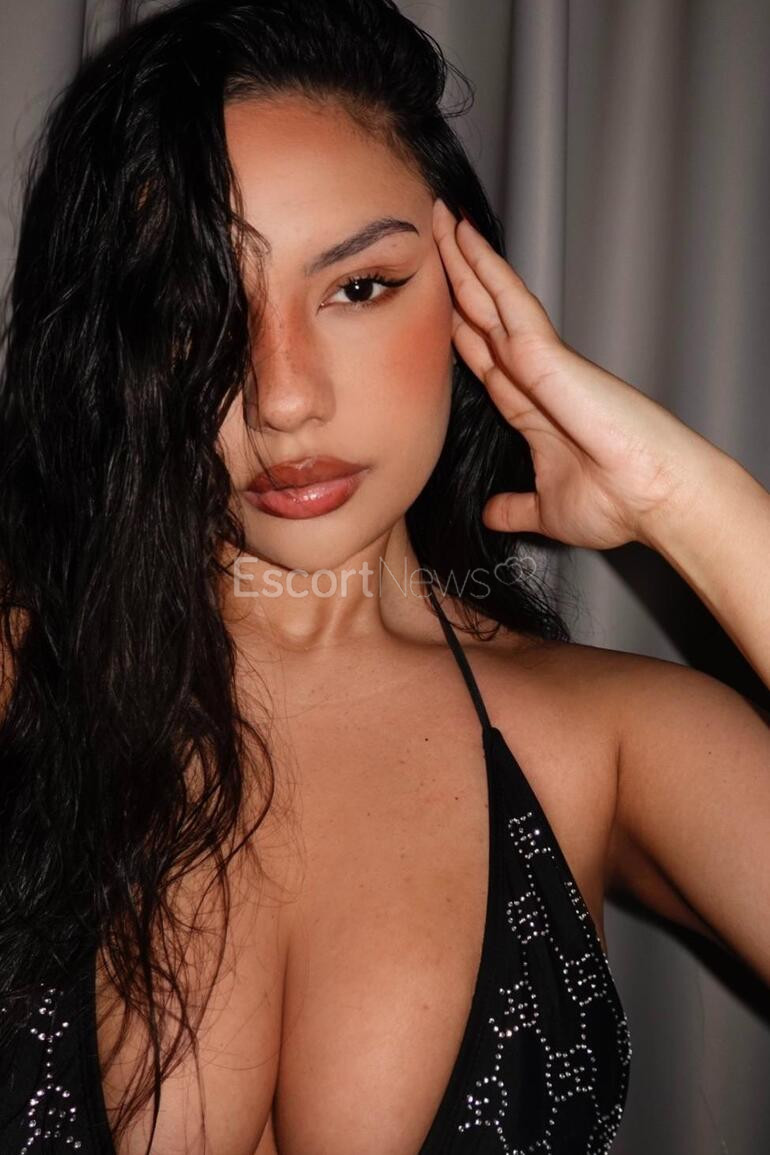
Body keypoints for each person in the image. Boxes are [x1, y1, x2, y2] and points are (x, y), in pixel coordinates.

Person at [0, 0, 768, 1152]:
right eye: (196, 306)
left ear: (470, 293)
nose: (283, 397)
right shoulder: (25, 679)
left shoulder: (604, 739)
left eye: (358, 287)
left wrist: (686, 502)